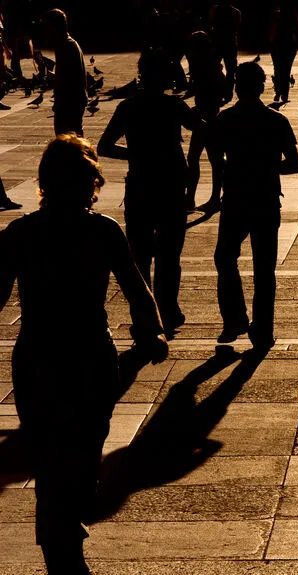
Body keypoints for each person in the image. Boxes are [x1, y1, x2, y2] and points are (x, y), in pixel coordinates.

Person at [0, 134, 167, 575]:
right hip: (90, 355)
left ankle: (61, 536)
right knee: (84, 447)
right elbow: (135, 286)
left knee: (49, 452)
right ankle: (65, 541)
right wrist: (151, 331)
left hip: (38, 357)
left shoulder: (21, 233)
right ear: (91, 182)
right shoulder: (102, 230)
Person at [98, 50, 203, 335]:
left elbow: (104, 146)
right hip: (171, 186)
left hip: (140, 185)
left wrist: (135, 153)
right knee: (170, 254)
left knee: (140, 256)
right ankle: (168, 310)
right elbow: (202, 128)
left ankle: (144, 315)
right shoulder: (174, 106)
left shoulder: (129, 107)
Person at [213, 62, 298, 349]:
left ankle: (235, 318)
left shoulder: (225, 119)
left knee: (225, 258)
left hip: (235, 198)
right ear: (262, 87)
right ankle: (262, 329)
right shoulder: (276, 121)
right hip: (265, 199)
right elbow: (294, 164)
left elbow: (216, 160)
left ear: (236, 86)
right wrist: (268, 168)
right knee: (264, 268)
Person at [185, 30, 225, 213]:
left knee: (199, 158)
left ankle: (197, 198)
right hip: (209, 115)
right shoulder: (212, 66)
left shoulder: (204, 68)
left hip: (206, 117)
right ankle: (209, 197)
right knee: (212, 160)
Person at [42, 9, 86, 136]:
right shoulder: (66, 44)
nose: (44, 32)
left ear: (54, 27)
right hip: (72, 102)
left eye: (46, 27)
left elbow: (69, 81)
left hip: (69, 103)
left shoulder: (66, 46)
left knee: (68, 140)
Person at [209, 0, 241, 102]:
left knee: (214, 67)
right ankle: (228, 93)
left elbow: (211, 22)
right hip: (230, 42)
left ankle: (217, 90)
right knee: (230, 70)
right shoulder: (236, 12)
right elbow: (237, 26)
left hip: (217, 42)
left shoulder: (214, 10)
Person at [269, 1, 298, 103]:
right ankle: (284, 95)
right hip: (289, 46)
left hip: (277, 46)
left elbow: (272, 32)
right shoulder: (293, 17)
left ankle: (278, 91)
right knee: (286, 71)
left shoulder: (277, 16)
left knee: (277, 70)